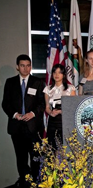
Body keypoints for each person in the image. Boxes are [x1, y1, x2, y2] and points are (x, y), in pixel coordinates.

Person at [2, 54, 45, 187]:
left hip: (34, 128)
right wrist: (15, 114)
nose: (25, 69)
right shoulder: (10, 82)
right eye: (22, 65)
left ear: (30, 66)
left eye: (28, 65)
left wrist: (32, 114)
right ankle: (25, 182)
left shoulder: (38, 82)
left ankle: (35, 183)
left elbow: (43, 103)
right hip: (17, 127)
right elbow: (5, 104)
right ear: (17, 67)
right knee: (21, 159)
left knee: (35, 159)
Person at [43, 64, 76, 149]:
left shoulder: (70, 88)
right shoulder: (47, 89)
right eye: (54, 72)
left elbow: (73, 107)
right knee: (52, 148)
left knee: (65, 148)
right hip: (52, 121)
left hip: (65, 120)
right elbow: (47, 107)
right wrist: (50, 112)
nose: (56, 75)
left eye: (59, 72)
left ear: (64, 75)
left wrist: (61, 111)